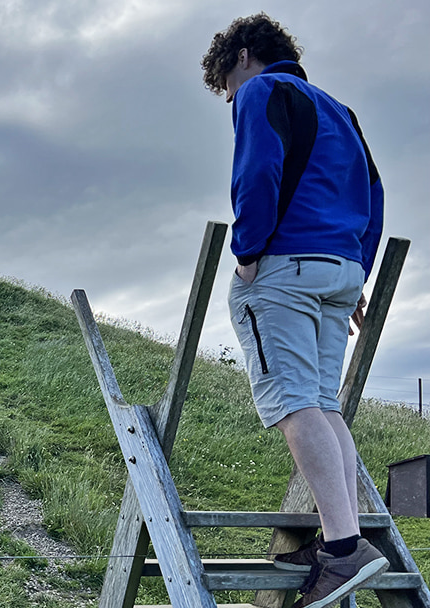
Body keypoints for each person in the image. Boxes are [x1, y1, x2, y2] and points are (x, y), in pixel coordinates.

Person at [201, 14, 387, 608]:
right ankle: (344, 538)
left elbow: (257, 170)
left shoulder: (261, 91)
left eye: (226, 82)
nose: (229, 96)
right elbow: (373, 194)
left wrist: (248, 252)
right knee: (322, 402)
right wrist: (357, 268)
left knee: (293, 400)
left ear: (245, 56)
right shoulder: (341, 110)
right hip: (341, 268)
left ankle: (341, 549)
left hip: (287, 264)